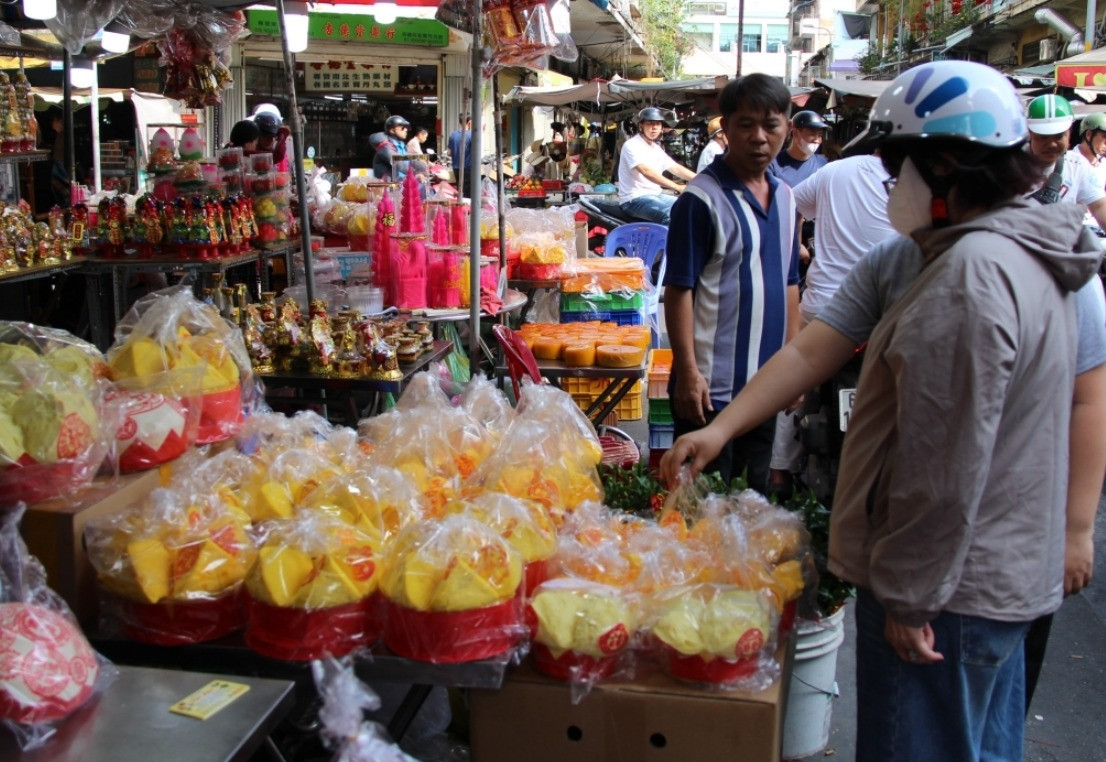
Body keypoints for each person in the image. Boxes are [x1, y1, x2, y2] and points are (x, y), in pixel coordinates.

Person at [662, 60, 1106, 762]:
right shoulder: (930, 255)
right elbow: (813, 349)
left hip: (949, 591)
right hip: (990, 581)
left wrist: (910, 595)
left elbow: (943, 462)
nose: (889, 186)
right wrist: (721, 428)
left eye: (899, 170)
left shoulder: (967, 279)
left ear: (946, 168)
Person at [662, 74, 800, 492]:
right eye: (745, 125)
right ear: (725, 129)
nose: (759, 137)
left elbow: (790, 284)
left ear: (787, 128)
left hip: (764, 389)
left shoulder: (786, 197)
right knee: (703, 508)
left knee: (750, 503)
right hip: (709, 391)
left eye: (770, 125)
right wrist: (688, 372)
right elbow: (678, 290)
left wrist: (792, 369)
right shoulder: (700, 200)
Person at [765, 152, 897, 494]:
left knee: (792, 375)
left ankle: (778, 470)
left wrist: (795, 246)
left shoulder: (834, 171)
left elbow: (790, 201)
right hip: (885, 314)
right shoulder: (914, 183)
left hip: (823, 304)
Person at [1025, 94, 1106, 230]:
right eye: (1043, 137)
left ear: (1069, 133)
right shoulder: (1010, 165)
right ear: (1029, 134)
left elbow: (1099, 206)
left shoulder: (1078, 166)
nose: (1051, 144)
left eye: (1058, 136)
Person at [617, 106, 697, 225]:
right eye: (650, 123)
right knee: (670, 214)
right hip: (634, 200)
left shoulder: (656, 148)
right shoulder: (631, 145)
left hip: (656, 196)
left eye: (658, 124)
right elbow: (646, 171)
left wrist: (701, 178)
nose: (654, 127)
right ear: (641, 126)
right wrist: (677, 187)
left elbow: (675, 168)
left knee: (691, 208)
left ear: (661, 127)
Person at [768, 110, 829, 187]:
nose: (817, 140)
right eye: (812, 134)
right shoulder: (773, 164)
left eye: (820, 135)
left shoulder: (822, 163)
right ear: (795, 133)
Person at [370, 115, 411, 182]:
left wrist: (423, 167)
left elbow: (409, 160)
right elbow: (397, 162)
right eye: (402, 128)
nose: (406, 130)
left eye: (406, 127)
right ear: (392, 130)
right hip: (389, 184)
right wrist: (414, 172)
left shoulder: (401, 145)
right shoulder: (385, 147)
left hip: (402, 182)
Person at [252, 108, 291, 172]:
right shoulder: (254, 152)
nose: (270, 141)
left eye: (272, 137)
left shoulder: (271, 151)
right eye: (266, 137)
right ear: (258, 136)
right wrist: (282, 135)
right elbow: (279, 154)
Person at [47, 108, 69, 207]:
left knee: (53, 182)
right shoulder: (59, 134)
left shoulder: (65, 135)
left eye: (54, 121)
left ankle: (66, 199)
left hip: (61, 166)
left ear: (60, 121)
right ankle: (64, 200)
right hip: (58, 164)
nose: (52, 124)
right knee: (52, 182)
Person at [448, 114, 473, 196]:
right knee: (467, 193)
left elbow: (449, 153)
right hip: (467, 168)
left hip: (456, 167)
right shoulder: (471, 135)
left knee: (460, 190)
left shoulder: (453, 135)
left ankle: (461, 203)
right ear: (469, 122)